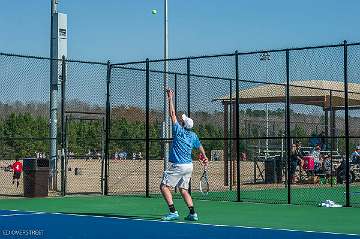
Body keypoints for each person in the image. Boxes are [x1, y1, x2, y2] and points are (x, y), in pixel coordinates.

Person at [160, 89, 209, 221]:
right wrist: (204, 156)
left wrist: (170, 98)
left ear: (183, 124)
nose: (181, 120)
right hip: (189, 166)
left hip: (178, 166)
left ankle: (173, 212)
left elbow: (172, 114)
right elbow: (200, 147)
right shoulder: (193, 136)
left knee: (164, 187)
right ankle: (193, 213)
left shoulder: (178, 131)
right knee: (183, 189)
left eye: (183, 120)